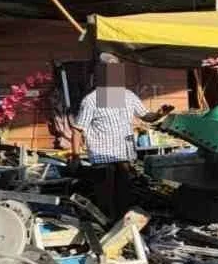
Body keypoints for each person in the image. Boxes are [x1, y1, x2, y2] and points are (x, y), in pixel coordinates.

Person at [71, 56, 173, 218]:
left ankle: (123, 230)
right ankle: (105, 231)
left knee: (124, 198)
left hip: (123, 156)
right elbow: (77, 130)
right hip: (102, 158)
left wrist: (160, 114)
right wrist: (75, 156)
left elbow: (146, 116)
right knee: (105, 200)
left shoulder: (128, 96)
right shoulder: (91, 100)